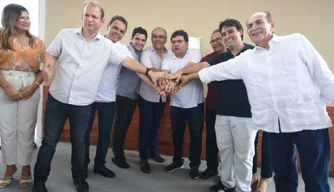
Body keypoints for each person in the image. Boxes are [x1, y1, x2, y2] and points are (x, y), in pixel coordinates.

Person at [32, 1, 165, 192]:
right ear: (82, 17)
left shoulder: (108, 47)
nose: (90, 19)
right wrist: (48, 65)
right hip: (57, 99)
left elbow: (129, 62)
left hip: (83, 103)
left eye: (94, 16)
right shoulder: (65, 34)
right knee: (49, 142)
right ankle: (39, 182)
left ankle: (79, 178)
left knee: (79, 143)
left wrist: (150, 72)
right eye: (87, 15)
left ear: (101, 21)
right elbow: (51, 54)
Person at [196, 11, 334, 192]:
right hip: (275, 126)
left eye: (258, 22)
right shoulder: (248, 58)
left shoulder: (296, 42)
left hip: (309, 122)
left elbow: (323, 75)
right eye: (250, 25)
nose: (254, 28)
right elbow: (213, 71)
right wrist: (179, 79)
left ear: (272, 24)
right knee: (284, 177)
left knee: (315, 178)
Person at [169, 19, 257, 192]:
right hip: (222, 113)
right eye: (223, 34)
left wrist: (184, 76)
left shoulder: (253, 53)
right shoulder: (222, 57)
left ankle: (243, 189)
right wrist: (181, 74)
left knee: (244, 156)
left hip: (246, 115)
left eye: (230, 32)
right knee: (225, 152)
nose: (226, 37)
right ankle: (227, 184)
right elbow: (202, 68)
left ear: (240, 32)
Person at [0, 4, 45, 189]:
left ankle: (26, 167)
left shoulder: (37, 42)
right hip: (5, 83)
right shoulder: (1, 39)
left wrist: (34, 86)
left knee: (27, 129)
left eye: (28, 17)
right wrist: (7, 87)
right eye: (22, 18)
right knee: (6, 129)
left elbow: (45, 69)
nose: (27, 21)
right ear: (11, 19)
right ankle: (10, 167)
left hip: (30, 83)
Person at [84, 15, 129, 179]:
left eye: (122, 31)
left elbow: (136, 67)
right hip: (88, 97)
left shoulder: (123, 49)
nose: (118, 32)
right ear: (108, 26)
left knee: (104, 134)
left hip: (109, 99)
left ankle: (99, 165)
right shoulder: (94, 41)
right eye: (115, 28)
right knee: (84, 133)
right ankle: (82, 164)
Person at [162, 30, 204, 179]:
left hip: (195, 104)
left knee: (196, 135)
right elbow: (165, 74)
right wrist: (168, 80)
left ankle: (194, 165)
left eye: (179, 41)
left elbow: (191, 69)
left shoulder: (195, 52)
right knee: (176, 135)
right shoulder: (168, 58)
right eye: (173, 42)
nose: (176, 44)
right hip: (176, 104)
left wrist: (177, 73)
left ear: (187, 43)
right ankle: (177, 160)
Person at [111, 26, 148, 169]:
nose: (140, 42)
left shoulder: (141, 53)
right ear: (131, 39)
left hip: (132, 96)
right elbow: (138, 69)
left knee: (125, 126)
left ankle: (119, 152)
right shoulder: (127, 51)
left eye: (143, 40)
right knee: (119, 126)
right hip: (121, 95)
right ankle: (117, 156)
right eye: (137, 39)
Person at [138, 27, 172, 173]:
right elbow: (150, 71)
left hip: (162, 98)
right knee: (145, 127)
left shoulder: (170, 54)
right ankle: (143, 158)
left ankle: (153, 151)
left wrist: (164, 77)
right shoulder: (146, 53)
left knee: (156, 126)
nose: (157, 39)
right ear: (152, 38)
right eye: (155, 36)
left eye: (161, 37)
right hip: (146, 96)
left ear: (166, 39)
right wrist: (165, 76)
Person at [199, 29, 227, 180]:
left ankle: (228, 173)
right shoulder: (207, 59)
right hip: (211, 105)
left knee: (227, 143)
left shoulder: (233, 56)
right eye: (212, 41)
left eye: (218, 39)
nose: (215, 43)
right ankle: (211, 167)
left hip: (229, 107)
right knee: (211, 138)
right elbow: (194, 72)